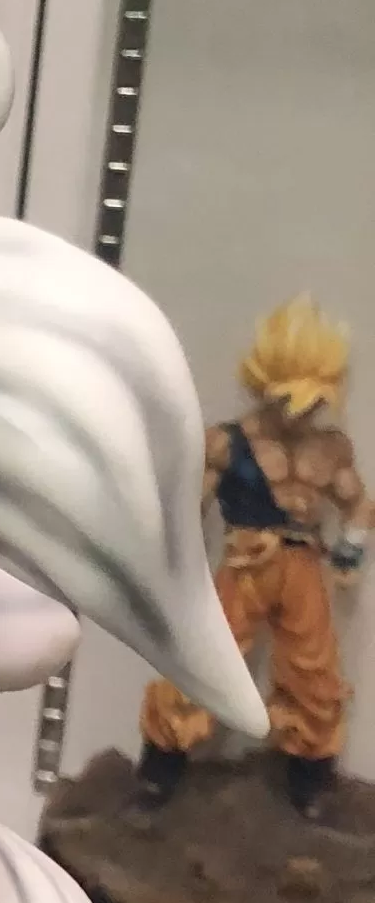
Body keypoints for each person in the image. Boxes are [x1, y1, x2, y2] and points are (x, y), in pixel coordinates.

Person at [138, 296, 375, 817]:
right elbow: (187, 507)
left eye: (312, 402)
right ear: (265, 386)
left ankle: (309, 777)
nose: (300, 413)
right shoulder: (227, 443)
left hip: (304, 567)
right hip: (245, 563)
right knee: (205, 660)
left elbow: (358, 503)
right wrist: (171, 564)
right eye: (290, 399)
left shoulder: (329, 448)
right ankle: (161, 763)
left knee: (315, 673)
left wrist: (351, 548)